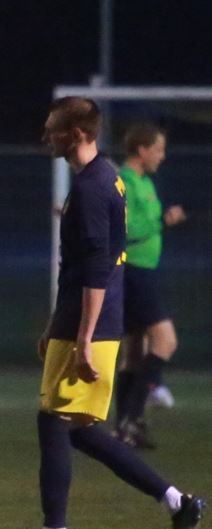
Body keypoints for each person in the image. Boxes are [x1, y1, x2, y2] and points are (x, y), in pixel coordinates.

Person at [0, 97, 202, 529]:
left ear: (78, 133)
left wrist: (82, 337)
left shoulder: (92, 189)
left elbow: (96, 270)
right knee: (83, 430)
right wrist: (57, 324)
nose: (47, 137)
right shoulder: (104, 177)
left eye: (53, 130)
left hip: (88, 326)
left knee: (51, 420)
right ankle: (178, 502)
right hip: (86, 322)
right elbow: (88, 266)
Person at [113, 123, 186, 448]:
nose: (162, 155)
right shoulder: (125, 182)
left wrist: (162, 221)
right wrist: (161, 221)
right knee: (165, 341)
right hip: (133, 272)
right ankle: (137, 411)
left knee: (134, 352)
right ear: (141, 151)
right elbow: (126, 229)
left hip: (144, 270)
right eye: (157, 149)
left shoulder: (145, 182)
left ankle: (125, 427)